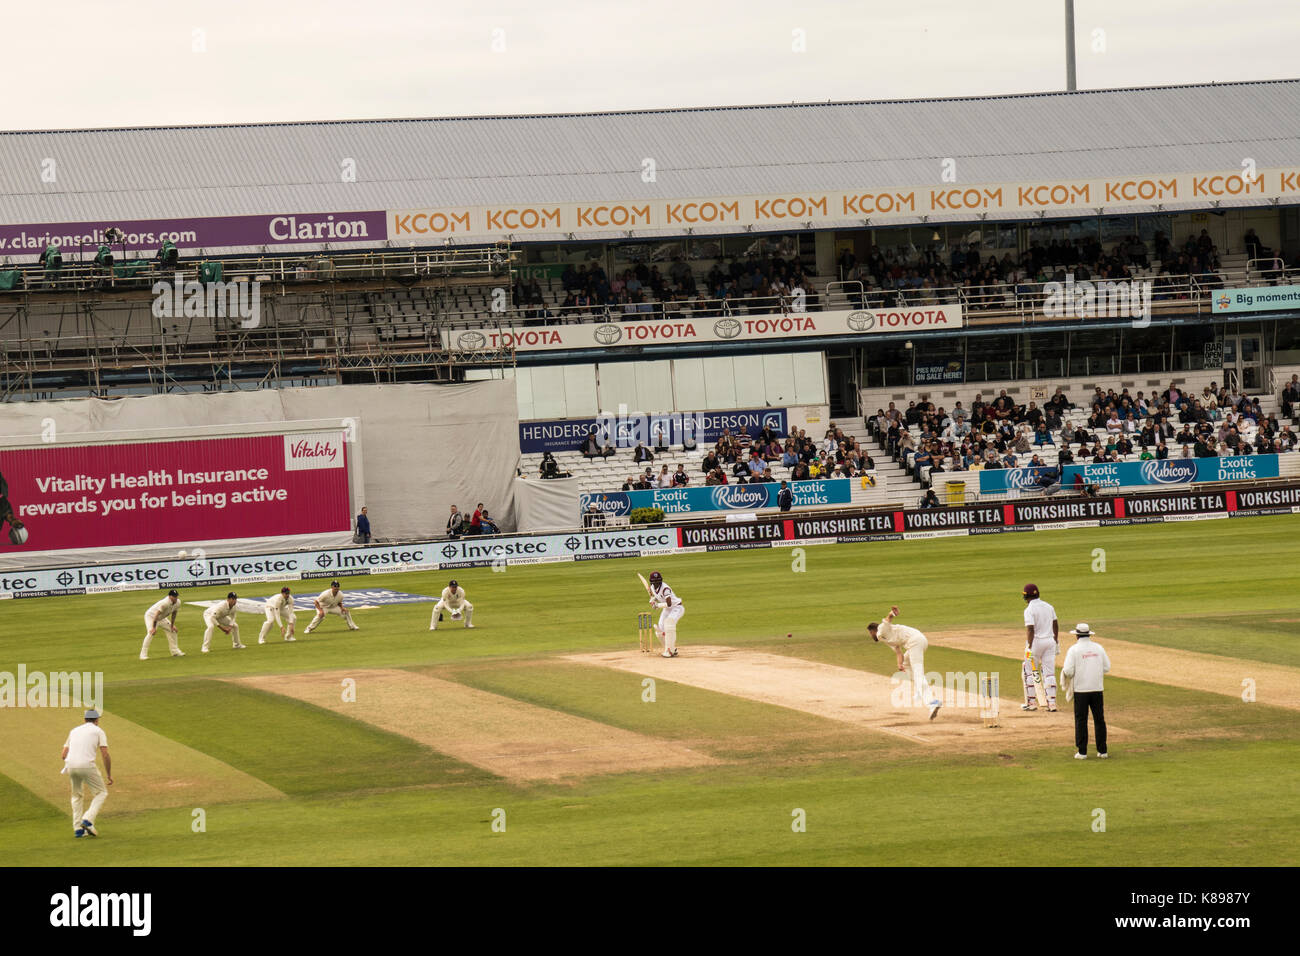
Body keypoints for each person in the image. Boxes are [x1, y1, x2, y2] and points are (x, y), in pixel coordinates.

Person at [868, 605, 942, 720]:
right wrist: (899, 664)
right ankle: (920, 687)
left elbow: (888, 619)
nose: (870, 636)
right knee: (907, 665)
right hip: (918, 642)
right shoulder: (886, 639)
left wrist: (892, 613)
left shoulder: (881, 630)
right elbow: (899, 652)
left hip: (915, 642)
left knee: (918, 674)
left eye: (870, 633)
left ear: (873, 631)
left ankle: (932, 702)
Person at [1060, 623, 1111, 759]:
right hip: (1097, 688)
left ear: (1076, 635)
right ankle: (1103, 751)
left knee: (1081, 720)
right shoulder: (1098, 648)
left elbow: (1069, 671)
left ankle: (1082, 752)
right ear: (1089, 634)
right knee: (1099, 719)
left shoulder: (1074, 650)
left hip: (1081, 690)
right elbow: (1106, 667)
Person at [61, 709, 112, 838]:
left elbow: (63, 755)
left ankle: (78, 829)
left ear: (84, 719)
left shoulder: (74, 731)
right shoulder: (99, 731)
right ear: (97, 720)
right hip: (87, 765)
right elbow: (105, 754)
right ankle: (88, 819)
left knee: (76, 796)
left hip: (70, 765)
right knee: (101, 792)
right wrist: (109, 775)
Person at [1021, 582, 1059, 712]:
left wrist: (1029, 647)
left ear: (1026, 597)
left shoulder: (1029, 610)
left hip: (1036, 642)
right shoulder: (1049, 606)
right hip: (1050, 642)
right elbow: (1055, 624)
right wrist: (1056, 641)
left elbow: (1030, 629)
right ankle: (1052, 703)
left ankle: (1031, 702)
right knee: (1049, 673)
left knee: (1029, 672)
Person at [646, 570, 683, 659]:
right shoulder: (652, 587)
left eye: (658, 581)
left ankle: (669, 651)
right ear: (651, 582)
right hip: (667, 609)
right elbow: (656, 596)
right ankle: (673, 649)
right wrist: (653, 600)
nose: (657, 583)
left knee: (668, 624)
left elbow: (669, 603)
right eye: (655, 582)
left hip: (676, 608)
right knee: (660, 629)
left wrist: (657, 605)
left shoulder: (665, 589)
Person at [140, 589, 184, 660]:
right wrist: (153, 628)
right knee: (151, 633)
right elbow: (156, 615)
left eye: (176, 596)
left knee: (173, 630)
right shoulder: (165, 603)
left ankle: (175, 651)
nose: (176, 598)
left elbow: (174, 613)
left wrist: (172, 625)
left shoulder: (178, 602)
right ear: (170, 596)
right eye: (174, 596)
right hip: (151, 617)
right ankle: (143, 655)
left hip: (162, 618)